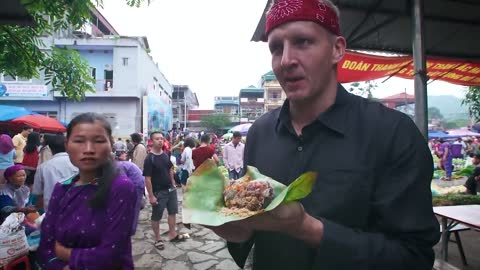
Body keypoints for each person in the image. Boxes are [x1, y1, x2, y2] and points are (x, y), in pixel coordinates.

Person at [209, 1, 440, 270]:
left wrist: (308, 229)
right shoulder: (260, 133)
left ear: (337, 49)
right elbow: (253, 233)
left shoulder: (393, 134)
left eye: (303, 41)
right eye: (276, 48)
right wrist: (236, 231)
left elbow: (414, 257)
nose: (286, 61)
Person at [38, 112, 137, 269]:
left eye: (98, 141)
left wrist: (66, 254)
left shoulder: (121, 188)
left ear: (110, 145)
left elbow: (111, 254)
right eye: (79, 141)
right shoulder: (62, 189)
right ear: (67, 146)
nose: (89, 149)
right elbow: (46, 246)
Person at [143, 131, 187, 251]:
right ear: (152, 141)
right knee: (156, 216)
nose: (160, 140)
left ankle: (172, 234)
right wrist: (151, 196)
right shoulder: (149, 159)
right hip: (158, 192)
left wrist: (172, 182)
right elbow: (147, 179)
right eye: (157, 139)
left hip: (170, 190)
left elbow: (170, 168)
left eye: (161, 138)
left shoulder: (165, 155)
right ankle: (158, 239)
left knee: (172, 212)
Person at [32, 134, 78, 212]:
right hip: (75, 210)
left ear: (50, 148)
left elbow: (38, 193)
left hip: (51, 211)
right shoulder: (78, 165)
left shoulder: (43, 167)